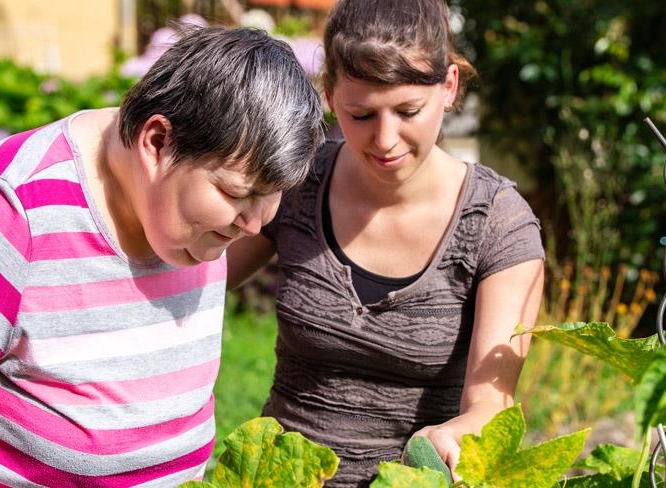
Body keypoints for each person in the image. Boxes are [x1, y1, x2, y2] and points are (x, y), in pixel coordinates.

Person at [0, 26, 323, 487]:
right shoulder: (6, 218)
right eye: (238, 193)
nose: (255, 224)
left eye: (272, 195)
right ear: (157, 143)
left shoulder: (188, 215)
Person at [227, 1, 545, 485]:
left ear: (450, 87)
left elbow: (490, 406)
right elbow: (193, 279)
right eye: (361, 115)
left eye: (408, 111)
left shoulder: (498, 224)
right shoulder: (298, 184)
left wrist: (458, 434)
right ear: (330, 96)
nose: (385, 139)